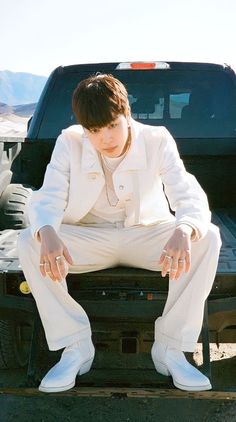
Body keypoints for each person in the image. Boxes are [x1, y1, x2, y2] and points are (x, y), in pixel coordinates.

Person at [18, 74, 221, 393]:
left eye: (112, 125)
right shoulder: (69, 141)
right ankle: (75, 347)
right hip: (88, 238)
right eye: (94, 131)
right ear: (85, 129)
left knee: (206, 236)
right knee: (30, 240)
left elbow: (186, 192)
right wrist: (48, 230)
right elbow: (50, 195)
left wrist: (183, 227)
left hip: (145, 234)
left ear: (126, 114)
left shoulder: (157, 139)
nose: (105, 138)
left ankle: (170, 349)